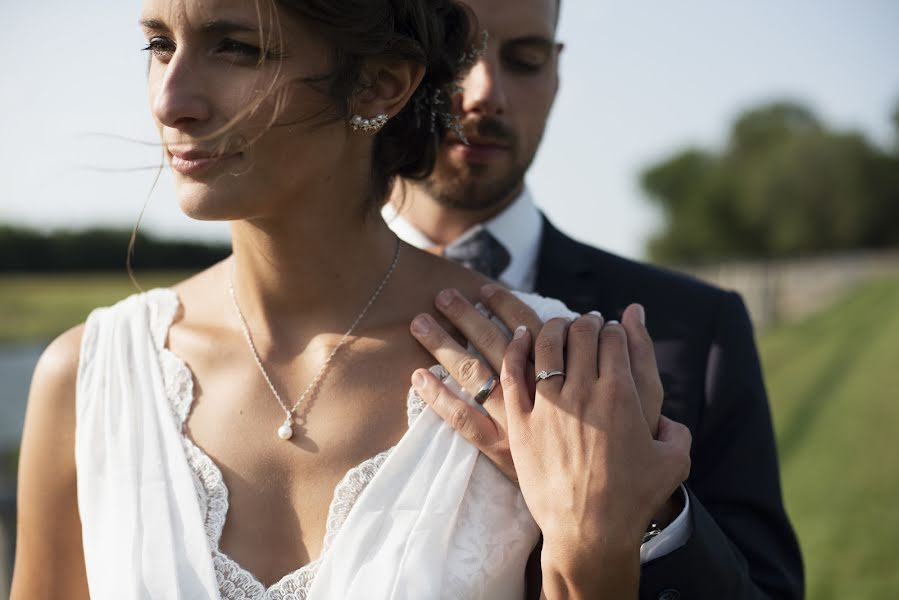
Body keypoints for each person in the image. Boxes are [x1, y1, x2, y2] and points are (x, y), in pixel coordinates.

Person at [11, 0, 691, 598]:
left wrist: (595, 552)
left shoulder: (549, 370)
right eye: (159, 45)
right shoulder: (89, 375)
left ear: (380, 84)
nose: (171, 100)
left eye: (237, 48)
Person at [385, 0, 805, 597]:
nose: (485, 94)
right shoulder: (254, 323)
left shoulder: (698, 327)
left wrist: (644, 510)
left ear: (556, 73)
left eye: (525, 60)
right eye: (455, 58)